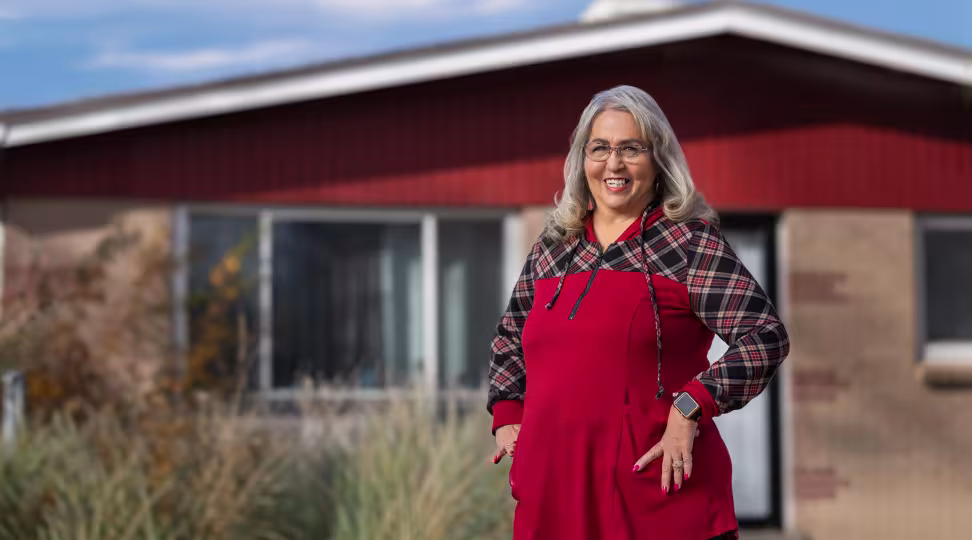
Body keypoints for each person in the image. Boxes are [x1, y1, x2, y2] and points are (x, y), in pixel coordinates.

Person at [487, 85, 790, 540]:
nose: (614, 163)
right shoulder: (553, 248)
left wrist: (690, 406)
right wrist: (508, 413)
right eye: (601, 148)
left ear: (658, 159)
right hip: (555, 500)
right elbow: (510, 337)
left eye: (632, 148)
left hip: (658, 501)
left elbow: (764, 335)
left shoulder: (687, 245)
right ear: (581, 161)